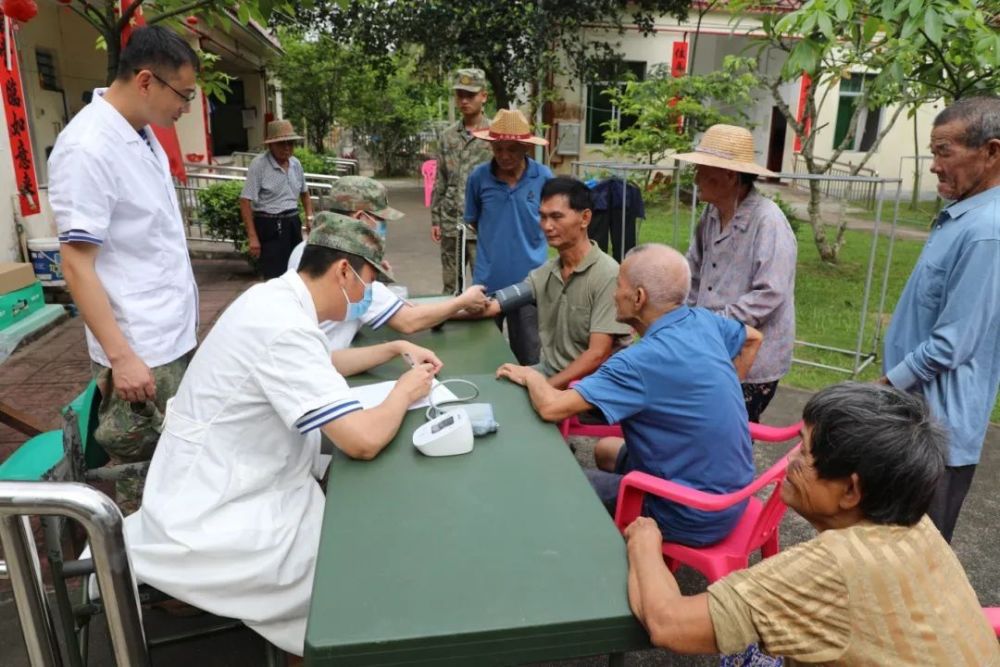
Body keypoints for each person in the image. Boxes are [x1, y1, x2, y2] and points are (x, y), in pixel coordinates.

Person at [123, 216, 441, 656]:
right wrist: (405, 392)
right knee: (342, 579)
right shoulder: (284, 326)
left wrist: (392, 348)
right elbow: (361, 441)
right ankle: (318, 650)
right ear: (343, 272)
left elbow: (317, 363)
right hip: (219, 512)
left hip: (217, 480)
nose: (368, 296)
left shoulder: (271, 300)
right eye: (368, 282)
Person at [623, 382, 1000, 664]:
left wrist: (644, 539)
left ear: (851, 490)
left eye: (804, 452)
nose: (788, 464)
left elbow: (669, 624)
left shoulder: (832, 566)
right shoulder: (915, 524)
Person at [497, 244, 763, 546]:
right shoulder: (703, 321)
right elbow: (753, 338)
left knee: (554, 482)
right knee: (605, 450)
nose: (613, 294)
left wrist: (531, 375)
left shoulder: (640, 361)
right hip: (733, 497)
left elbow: (552, 408)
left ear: (638, 298)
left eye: (618, 285)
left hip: (687, 514)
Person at [48, 26, 200, 514]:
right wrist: (121, 357)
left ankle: (171, 560)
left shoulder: (141, 135)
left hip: (170, 334)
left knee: (175, 458)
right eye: (184, 94)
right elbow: (76, 263)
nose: (186, 107)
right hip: (140, 347)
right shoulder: (89, 147)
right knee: (139, 468)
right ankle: (134, 574)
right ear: (145, 81)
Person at [881, 96, 1000, 543]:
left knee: (916, 561)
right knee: (887, 549)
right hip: (912, 421)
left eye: (944, 152)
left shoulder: (988, 229)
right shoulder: (961, 218)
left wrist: (884, 387)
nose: (934, 165)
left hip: (937, 434)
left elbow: (953, 343)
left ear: (991, 152)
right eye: (934, 152)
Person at [675, 124, 797, 423]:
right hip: (710, 348)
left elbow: (770, 293)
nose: (695, 178)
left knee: (730, 431)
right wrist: (686, 316)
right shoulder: (711, 213)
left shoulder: (768, 221)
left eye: (702, 170)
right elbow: (694, 269)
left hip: (752, 359)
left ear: (730, 175)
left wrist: (713, 324)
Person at [287, 177, 489, 350]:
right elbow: (409, 321)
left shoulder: (305, 248)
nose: (383, 228)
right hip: (329, 364)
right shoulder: (352, 266)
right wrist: (462, 301)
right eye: (380, 220)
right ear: (360, 218)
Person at [482, 176, 632, 388]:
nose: (547, 226)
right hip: (550, 374)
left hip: (591, 389)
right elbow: (493, 305)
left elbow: (597, 354)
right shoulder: (545, 273)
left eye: (556, 217)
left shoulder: (608, 275)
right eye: (542, 217)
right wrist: (442, 309)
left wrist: (545, 388)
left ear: (585, 218)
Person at [466, 108, 553, 365]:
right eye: (498, 148)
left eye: (512, 149)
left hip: (530, 283)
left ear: (525, 148)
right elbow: (473, 220)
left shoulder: (544, 178)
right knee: (484, 356)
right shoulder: (478, 178)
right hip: (487, 282)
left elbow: (553, 220)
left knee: (529, 355)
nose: (504, 156)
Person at [431, 68, 493, 294]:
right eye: (460, 95)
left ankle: (486, 329)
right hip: (451, 222)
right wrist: (436, 219)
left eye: (471, 94)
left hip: (483, 224)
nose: (464, 100)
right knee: (450, 287)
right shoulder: (447, 136)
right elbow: (441, 179)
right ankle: (449, 325)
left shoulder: (494, 134)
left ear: (483, 96)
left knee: (485, 286)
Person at [240, 119, 315, 278]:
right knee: (274, 275)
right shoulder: (259, 165)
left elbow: (305, 193)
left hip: (293, 222)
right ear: (270, 145)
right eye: (281, 143)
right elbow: (245, 201)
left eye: (290, 143)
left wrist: (309, 218)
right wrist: (253, 237)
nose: (287, 147)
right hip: (269, 225)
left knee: (296, 271)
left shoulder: (296, 164)